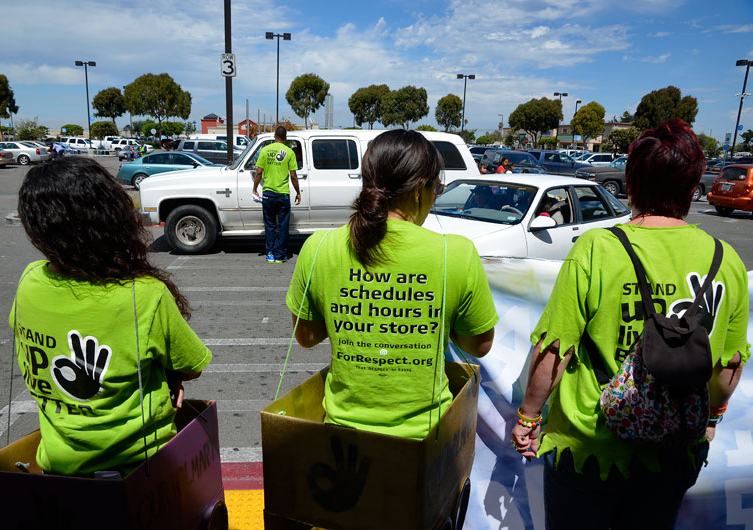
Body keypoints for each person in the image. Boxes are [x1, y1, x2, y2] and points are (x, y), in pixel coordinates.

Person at [511, 119, 748, 528]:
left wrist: (529, 418)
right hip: (674, 452)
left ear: (631, 181)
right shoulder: (725, 258)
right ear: (694, 187)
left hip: (587, 450)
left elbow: (555, 351)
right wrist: (710, 419)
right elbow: (727, 368)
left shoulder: (598, 248)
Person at [286, 129, 498, 439]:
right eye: (436, 188)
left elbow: (305, 336)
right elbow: (479, 344)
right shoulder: (457, 252)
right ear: (418, 190)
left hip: (342, 443)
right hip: (427, 443)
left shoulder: (319, 246)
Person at [11, 157, 212, 477]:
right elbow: (191, 367)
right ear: (111, 218)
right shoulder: (144, 293)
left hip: (59, 470)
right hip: (144, 473)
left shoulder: (30, 281)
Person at [252, 125, 301, 263]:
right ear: (285, 138)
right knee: (283, 226)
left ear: (274, 137)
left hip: (268, 194)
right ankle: (280, 255)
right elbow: (293, 176)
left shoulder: (265, 150)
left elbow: (259, 172)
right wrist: (298, 192)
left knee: (270, 226)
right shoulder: (289, 152)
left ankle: (270, 254)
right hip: (283, 195)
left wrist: (255, 188)